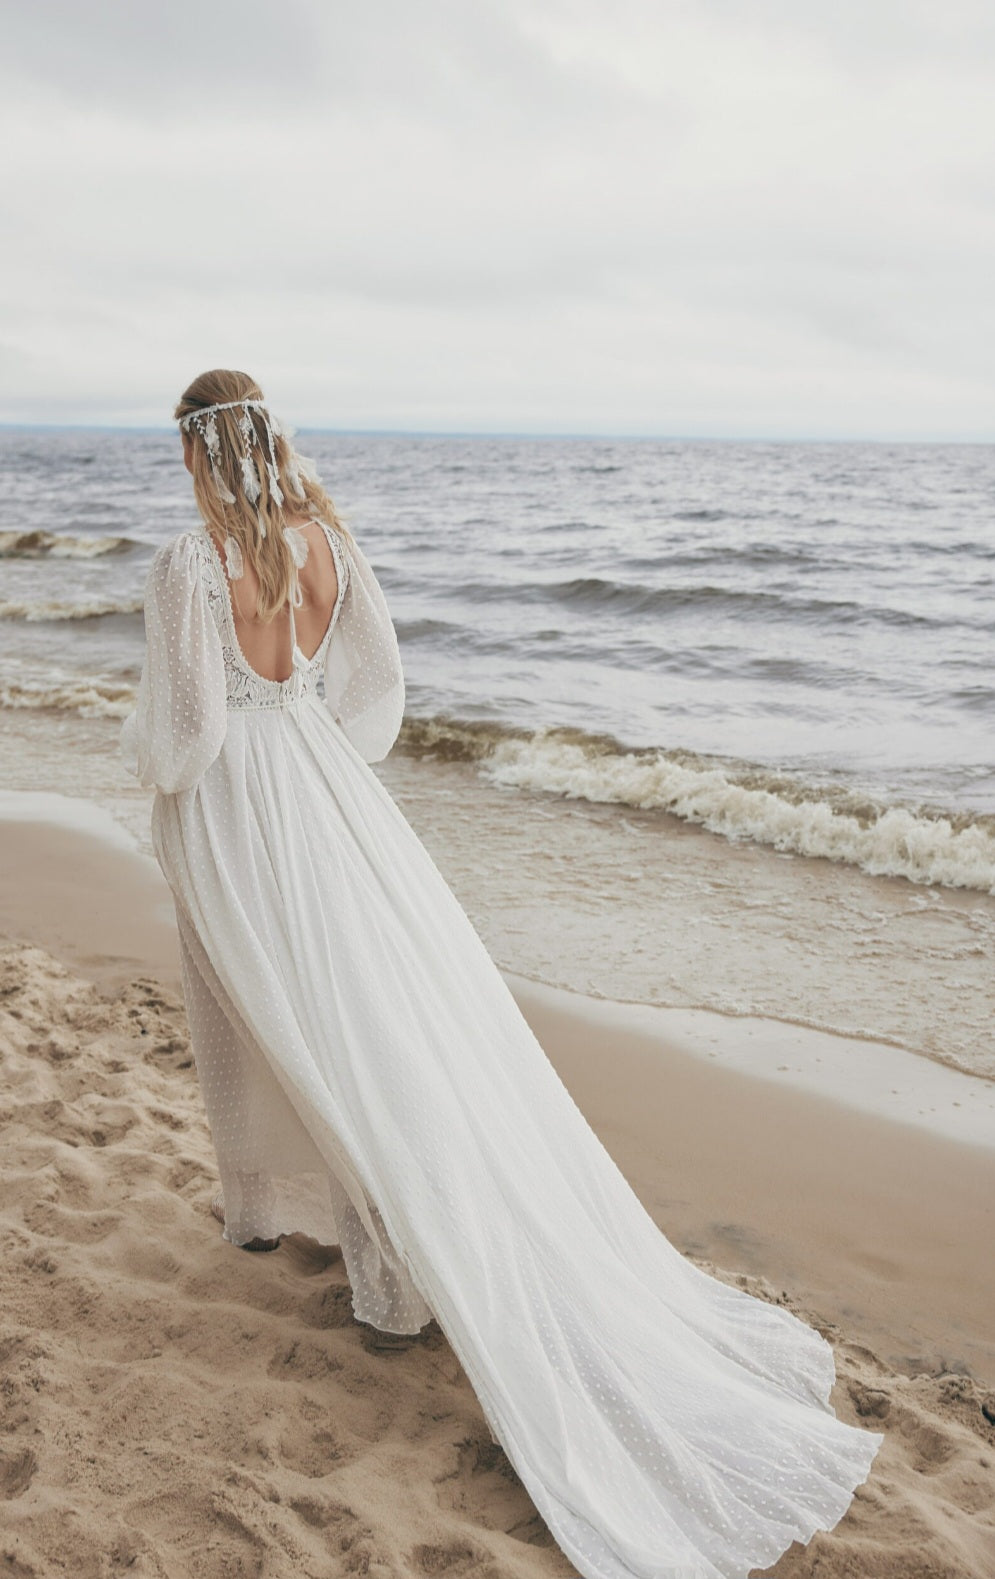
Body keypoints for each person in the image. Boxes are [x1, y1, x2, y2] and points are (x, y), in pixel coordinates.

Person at [120, 367, 883, 1579]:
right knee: (360, 1029)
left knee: (252, 1012)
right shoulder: (327, 542)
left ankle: (258, 1217)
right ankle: (381, 1284)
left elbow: (192, 731)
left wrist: (153, 777)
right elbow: (376, 695)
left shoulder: (185, 564)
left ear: (199, 451)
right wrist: (313, 738)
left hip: (238, 810)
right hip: (330, 795)